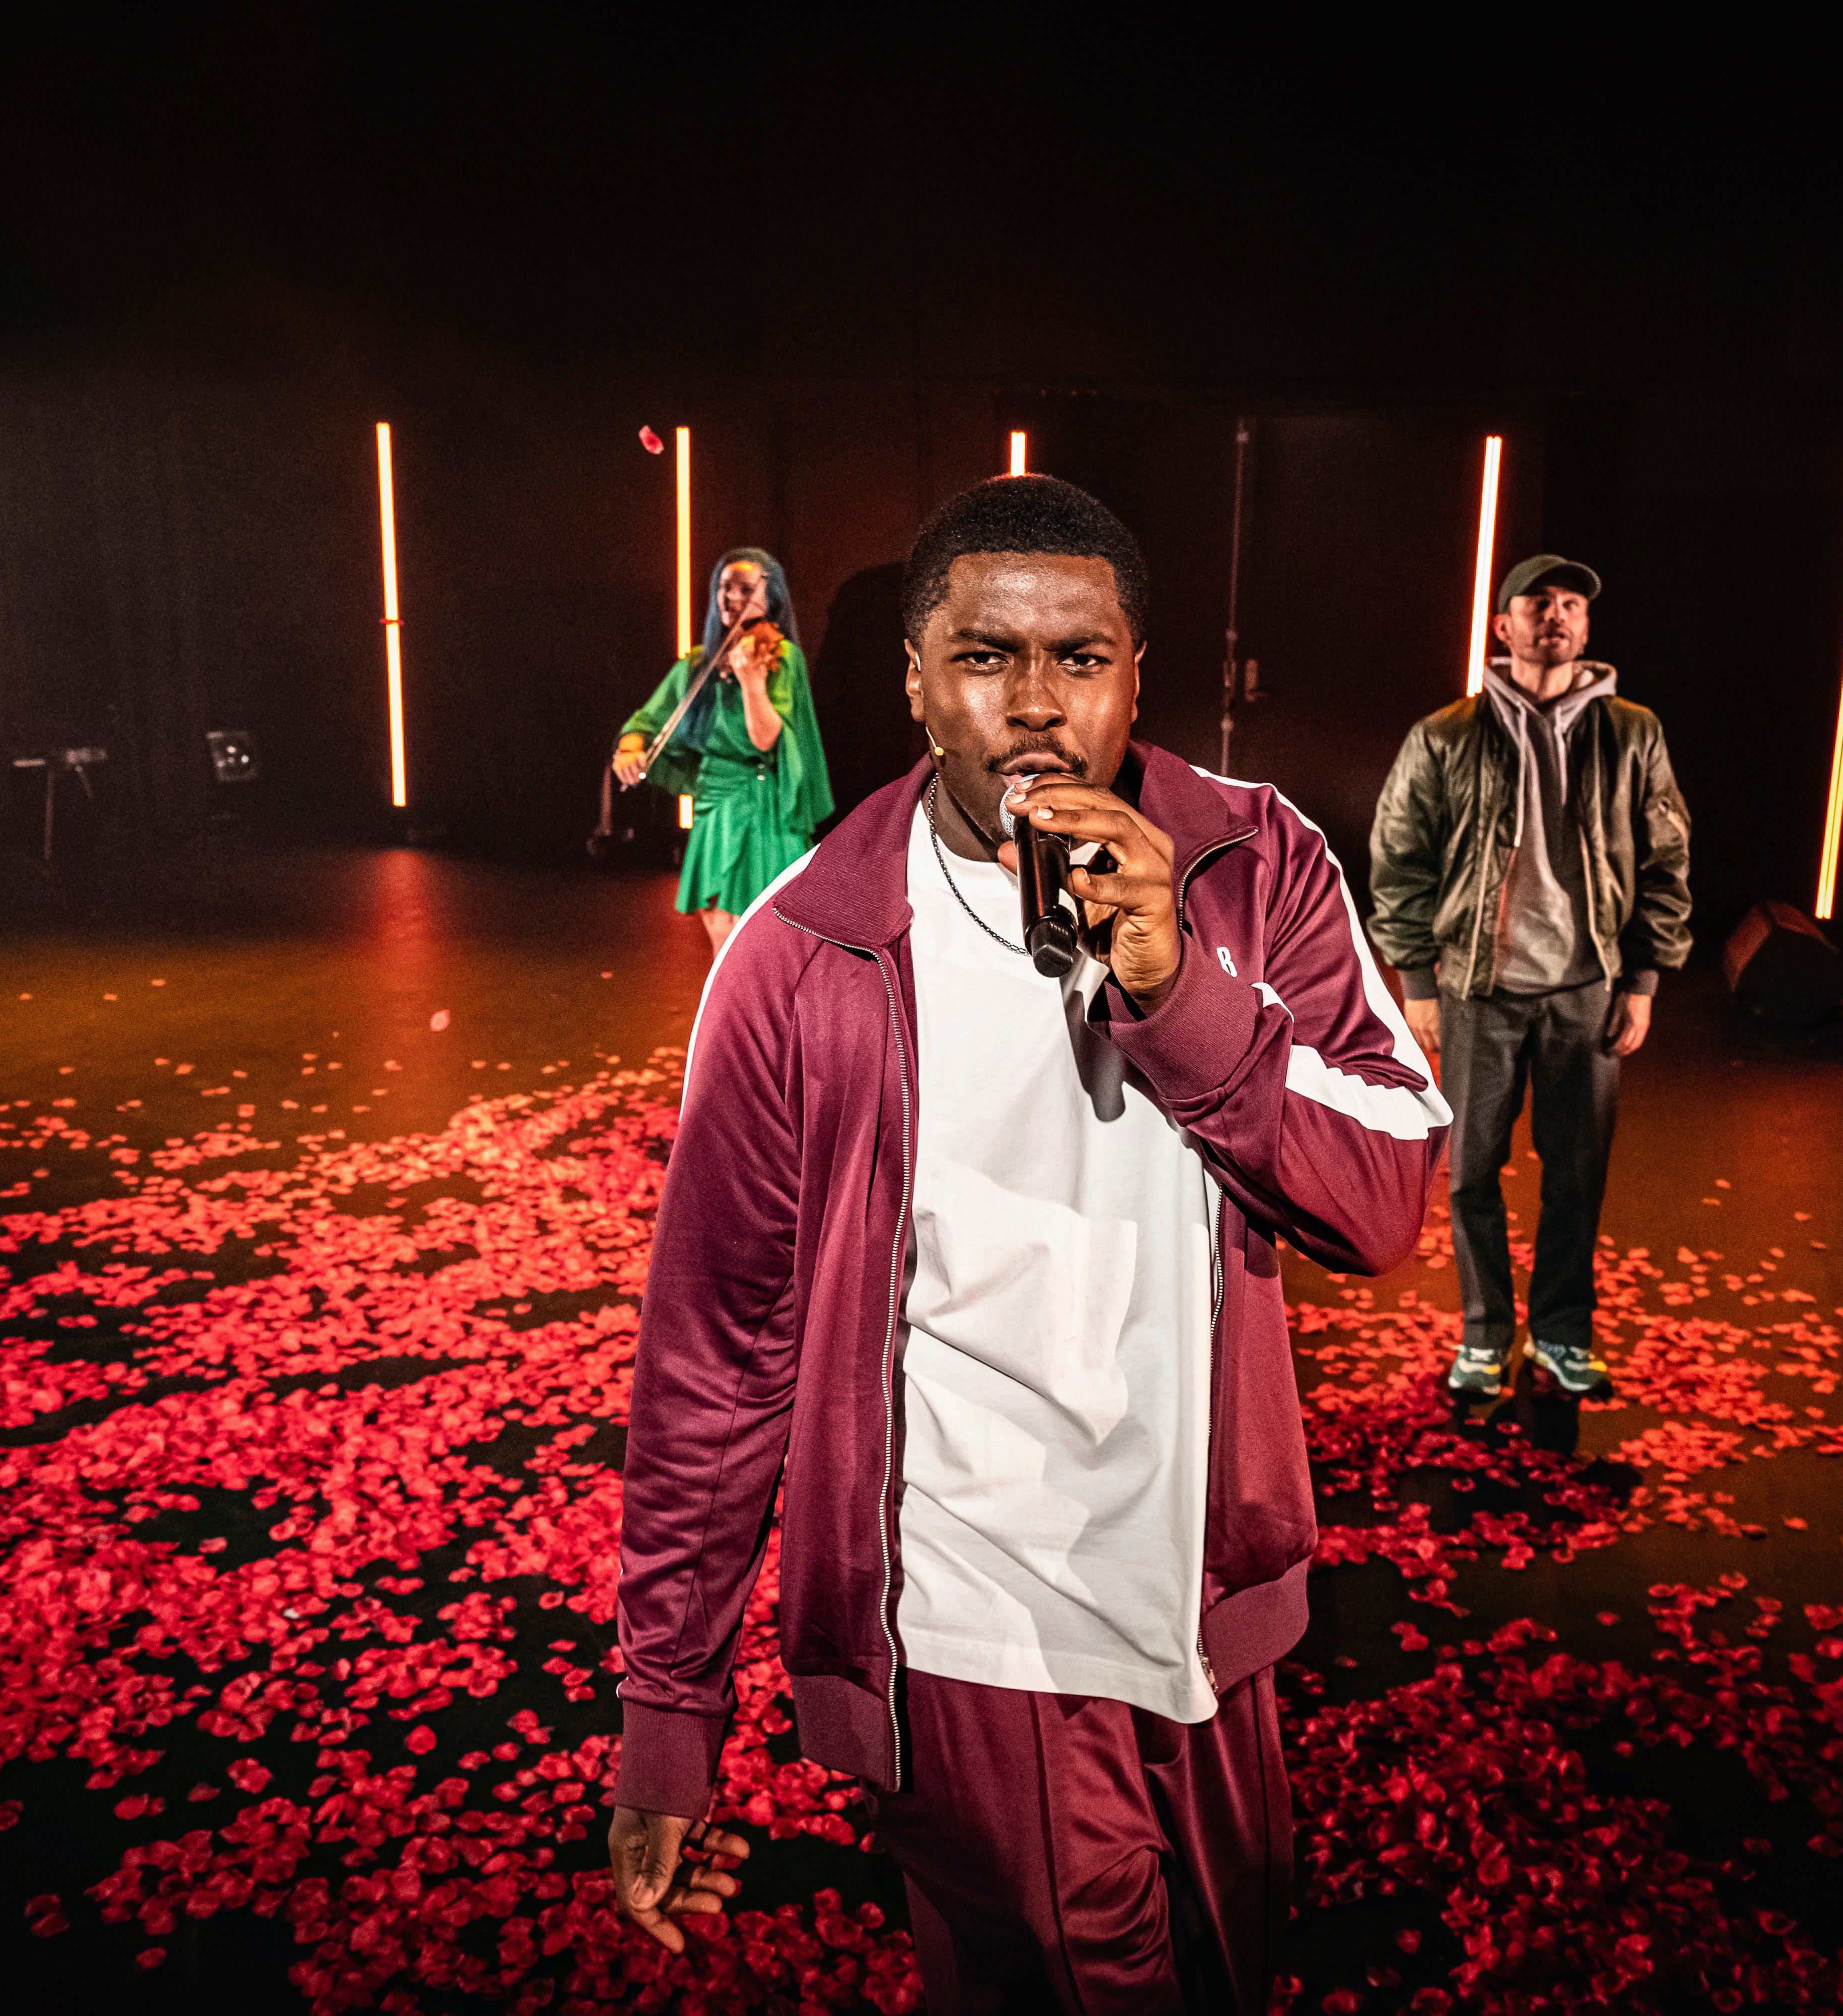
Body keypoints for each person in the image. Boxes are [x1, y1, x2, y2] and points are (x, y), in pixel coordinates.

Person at [606, 477, 1447, 2009]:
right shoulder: (801, 955)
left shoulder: (1257, 865)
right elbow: (718, 1359)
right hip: (970, 1624)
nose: (1038, 704)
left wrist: (1179, 989)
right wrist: (670, 1711)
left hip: (1208, 1614)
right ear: (916, 681)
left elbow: (1386, 1198)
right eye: (988, 657)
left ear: (1139, 674)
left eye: (1081, 658)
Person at [1369, 554, 1691, 1406]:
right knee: (1471, 1170)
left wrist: (1643, 977)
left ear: (1585, 627)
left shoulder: (1632, 732)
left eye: (1572, 604)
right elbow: (1399, 857)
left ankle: (1561, 1330)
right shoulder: (1446, 734)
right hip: (1480, 986)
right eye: (1537, 601)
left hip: (1588, 984)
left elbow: (1665, 856)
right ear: (1503, 624)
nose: (1556, 614)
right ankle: (1483, 1334)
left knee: (1577, 1172)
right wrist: (1417, 980)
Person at [611, 548, 833, 955]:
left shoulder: (780, 656)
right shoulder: (700, 664)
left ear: (770, 595)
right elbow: (645, 721)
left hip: (762, 804)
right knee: (718, 924)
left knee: (760, 935)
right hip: (713, 802)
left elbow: (766, 739)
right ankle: (725, 1001)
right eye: (724, 587)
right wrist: (629, 748)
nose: (732, 596)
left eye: (745, 588)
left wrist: (751, 682)